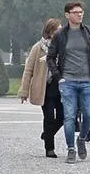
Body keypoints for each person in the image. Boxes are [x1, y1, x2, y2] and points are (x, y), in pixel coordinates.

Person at [46, 1, 90, 164]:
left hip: (87, 80)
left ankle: (81, 139)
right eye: (75, 12)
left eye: (81, 12)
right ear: (67, 15)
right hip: (68, 82)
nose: (79, 14)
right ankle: (71, 148)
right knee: (69, 116)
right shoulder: (60, 35)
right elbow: (50, 58)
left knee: (89, 114)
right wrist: (59, 77)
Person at [18, 18, 65, 157]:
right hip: (45, 88)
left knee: (63, 117)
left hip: (61, 87)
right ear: (49, 32)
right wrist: (24, 91)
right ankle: (49, 148)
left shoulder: (64, 46)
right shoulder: (37, 48)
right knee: (49, 117)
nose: (60, 32)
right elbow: (28, 70)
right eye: (57, 29)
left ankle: (47, 134)